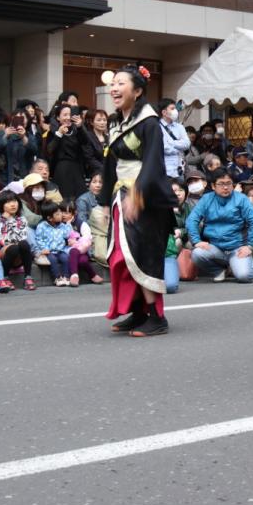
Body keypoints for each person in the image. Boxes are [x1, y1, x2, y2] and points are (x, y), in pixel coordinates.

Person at [100, 64, 175, 337]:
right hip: (122, 195)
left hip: (145, 198)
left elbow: (154, 163)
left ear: (138, 90)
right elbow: (109, 164)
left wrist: (138, 194)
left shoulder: (150, 123)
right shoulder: (115, 121)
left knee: (142, 255)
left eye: (121, 83)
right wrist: (105, 201)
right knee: (121, 256)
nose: (115, 88)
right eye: (114, 84)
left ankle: (156, 317)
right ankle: (137, 310)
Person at [186, 168, 253, 283]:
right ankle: (218, 270)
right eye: (221, 184)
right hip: (215, 248)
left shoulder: (241, 199)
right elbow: (192, 220)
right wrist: (196, 241)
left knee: (245, 276)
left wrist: (250, 246)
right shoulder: (206, 199)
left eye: (228, 183)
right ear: (213, 186)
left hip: (237, 247)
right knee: (196, 254)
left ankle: (236, 265)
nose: (225, 187)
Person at [0, 189, 37, 291]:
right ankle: (5, 276)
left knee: (24, 244)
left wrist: (10, 221)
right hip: (1, 253)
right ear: (1, 205)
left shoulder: (22, 219)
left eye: (14, 201)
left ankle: (28, 277)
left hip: (18, 254)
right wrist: (5, 220)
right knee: (13, 248)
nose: (13, 204)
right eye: (8, 202)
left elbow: (21, 237)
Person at [45, 104, 88, 201]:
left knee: (81, 199)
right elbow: (49, 150)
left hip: (77, 168)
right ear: (58, 117)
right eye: (65, 115)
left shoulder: (76, 130)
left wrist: (81, 127)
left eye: (70, 114)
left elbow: (85, 142)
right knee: (65, 200)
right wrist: (59, 134)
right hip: (62, 169)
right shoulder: (53, 132)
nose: (68, 117)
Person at [0, 112, 37, 185]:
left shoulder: (30, 136)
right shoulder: (2, 133)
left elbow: (34, 151)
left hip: (25, 176)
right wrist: (6, 136)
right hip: (6, 176)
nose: (20, 120)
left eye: (23, 118)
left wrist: (23, 137)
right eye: (17, 118)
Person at [158, 99, 191, 179]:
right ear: (164, 112)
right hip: (164, 171)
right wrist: (179, 147)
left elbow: (187, 144)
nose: (175, 111)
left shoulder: (179, 127)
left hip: (179, 170)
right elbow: (163, 147)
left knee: (180, 191)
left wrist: (171, 143)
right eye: (172, 108)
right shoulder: (157, 127)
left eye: (175, 108)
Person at [82, 108, 108, 179]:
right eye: (99, 120)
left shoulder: (108, 137)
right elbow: (90, 158)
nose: (102, 122)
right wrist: (105, 168)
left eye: (104, 120)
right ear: (91, 122)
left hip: (108, 173)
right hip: (94, 174)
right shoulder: (88, 136)